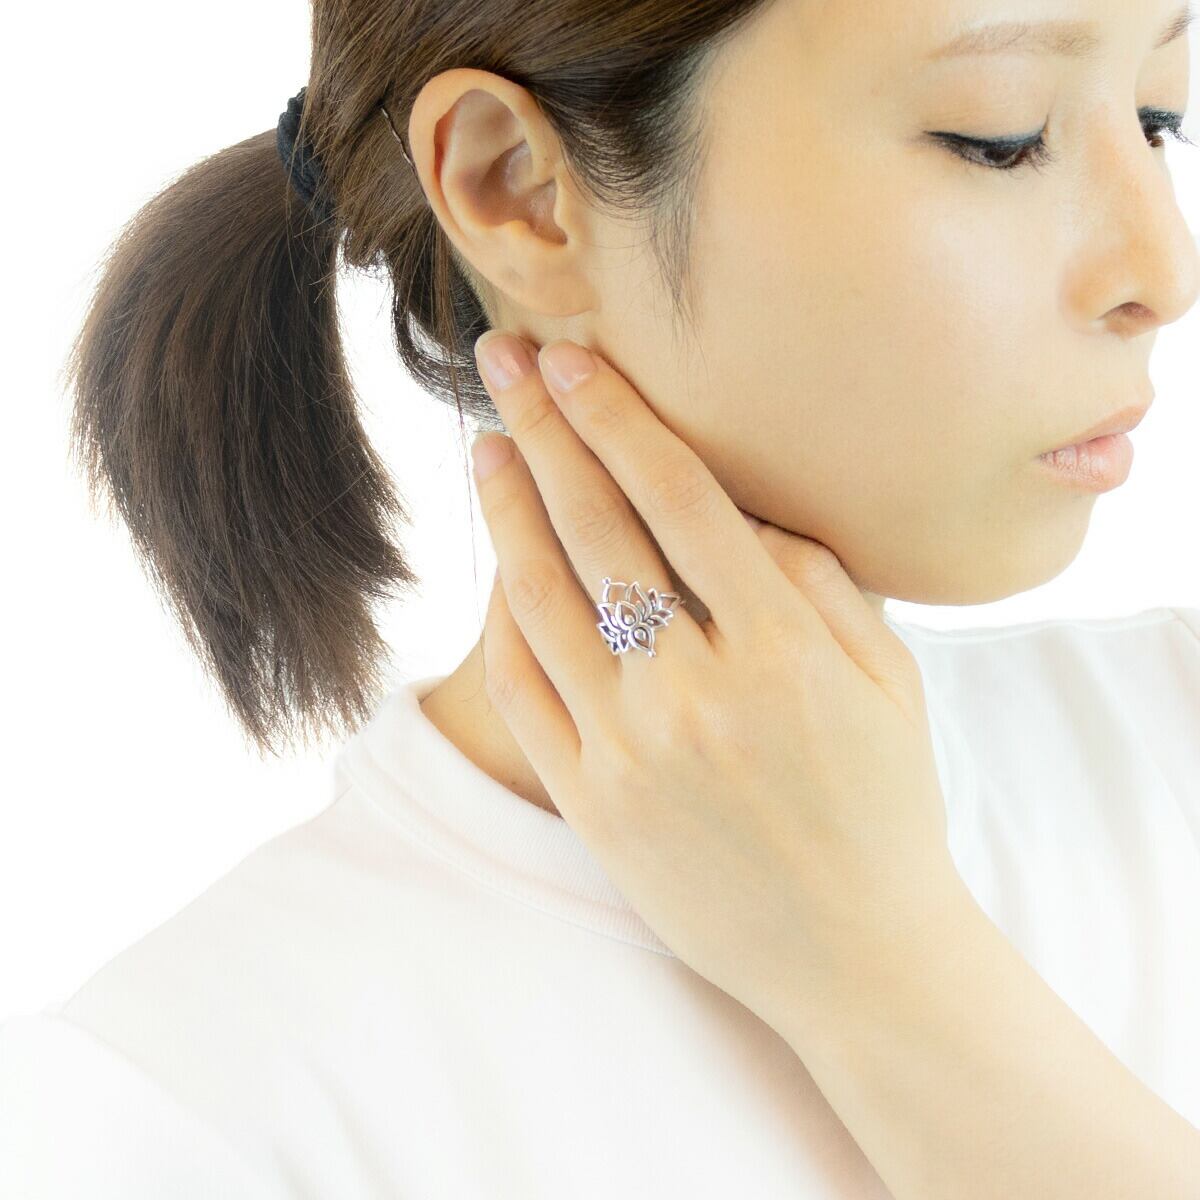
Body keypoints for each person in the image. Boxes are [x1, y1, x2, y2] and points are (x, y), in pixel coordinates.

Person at [3, 0, 1200, 1195]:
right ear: (514, 187)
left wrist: (886, 966)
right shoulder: (194, 1108)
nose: (1164, 268)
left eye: (1158, 118)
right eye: (1000, 138)